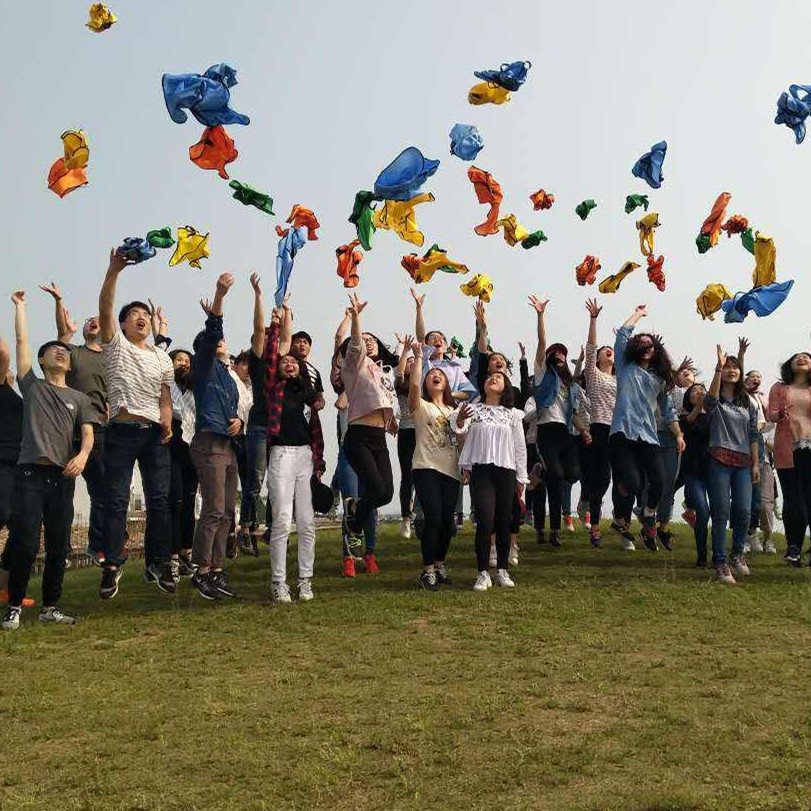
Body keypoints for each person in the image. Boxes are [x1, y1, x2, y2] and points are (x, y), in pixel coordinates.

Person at [2, 291, 94, 631]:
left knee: (59, 547)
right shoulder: (32, 387)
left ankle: (50, 607)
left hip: (62, 479)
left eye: (65, 351)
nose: (61, 352)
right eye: (53, 349)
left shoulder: (79, 398)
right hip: (28, 476)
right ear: (41, 361)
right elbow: (22, 341)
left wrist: (83, 456)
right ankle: (14, 606)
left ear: (70, 364)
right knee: (26, 544)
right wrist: (21, 308)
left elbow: (88, 434)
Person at [97, 249, 176, 600]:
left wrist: (167, 419)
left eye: (145, 314)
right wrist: (114, 271)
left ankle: (158, 563)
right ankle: (112, 564)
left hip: (154, 435)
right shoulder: (116, 346)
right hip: (121, 432)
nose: (141, 317)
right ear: (124, 324)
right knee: (116, 500)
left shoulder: (162, 356)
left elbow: (164, 394)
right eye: (134, 314)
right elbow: (105, 309)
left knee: (159, 500)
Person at [39, 281, 109, 565]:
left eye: (97, 319)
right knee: (62, 490)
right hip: (67, 428)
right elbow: (61, 337)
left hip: (98, 429)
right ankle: (61, 549)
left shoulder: (110, 357)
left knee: (101, 490)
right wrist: (59, 302)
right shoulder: (74, 354)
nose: (93, 321)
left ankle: (97, 545)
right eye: (89, 319)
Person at [264, 299, 325, 603]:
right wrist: (279, 320)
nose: (290, 364)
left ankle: (305, 580)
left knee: (307, 522)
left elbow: (317, 423)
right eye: (285, 361)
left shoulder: (305, 393)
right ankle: (279, 582)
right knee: (282, 520)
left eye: (295, 363)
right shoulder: (273, 387)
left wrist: (318, 461)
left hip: (304, 456)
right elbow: (273, 351)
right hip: (281, 455)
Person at [610, 305, 684, 552]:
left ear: (655, 351)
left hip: (648, 436)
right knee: (634, 484)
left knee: (660, 481)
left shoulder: (659, 379)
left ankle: (648, 514)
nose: (646, 346)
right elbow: (622, 334)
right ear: (635, 348)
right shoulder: (624, 367)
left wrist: (678, 434)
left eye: (650, 344)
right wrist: (638, 315)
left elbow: (668, 411)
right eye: (641, 343)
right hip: (622, 433)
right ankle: (622, 510)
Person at [188, 273, 241, 601]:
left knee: (228, 512)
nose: (221, 342)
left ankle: (217, 569)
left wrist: (238, 423)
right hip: (208, 443)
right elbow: (213, 333)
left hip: (228, 446)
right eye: (215, 342)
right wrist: (219, 297)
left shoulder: (229, 378)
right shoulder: (203, 367)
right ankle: (201, 570)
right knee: (214, 509)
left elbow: (233, 411)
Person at [339, 293, 399, 572]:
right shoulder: (353, 366)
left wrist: (392, 420)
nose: (368, 341)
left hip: (379, 437)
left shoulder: (382, 372)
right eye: (365, 339)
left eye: (372, 339)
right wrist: (356, 319)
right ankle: (354, 525)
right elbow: (354, 346)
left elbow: (386, 398)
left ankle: (354, 513)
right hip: (358, 436)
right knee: (375, 488)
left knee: (386, 493)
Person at [455, 370, 527, 591]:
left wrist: (521, 477)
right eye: (489, 377)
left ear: (506, 387)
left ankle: (502, 571)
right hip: (482, 472)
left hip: (506, 472)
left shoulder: (512, 414)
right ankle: (482, 573)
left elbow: (520, 447)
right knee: (485, 521)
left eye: (499, 377)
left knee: (504, 521)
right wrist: (460, 419)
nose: (493, 379)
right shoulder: (473, 409)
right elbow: (459, 429)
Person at [529, 296, 585, 548]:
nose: (560, 354)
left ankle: (539, 471)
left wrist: (584, 431)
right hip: (546, 430)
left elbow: (574, 412)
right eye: (556, 352)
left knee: (571, 474)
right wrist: (540, 315)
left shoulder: (569, 385)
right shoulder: (543, 375)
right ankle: (551, 531)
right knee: (554, 479)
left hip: (565, 432)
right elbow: (542, 343)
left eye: (563, 352)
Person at [704, 346, 759, 584]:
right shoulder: (715, 399)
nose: (732, 370)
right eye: (728, 367)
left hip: (744, 461)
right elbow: (709, 401)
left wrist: (755, 464)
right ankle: (720, 562)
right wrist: (718, 367)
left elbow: (754, 434)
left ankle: (738, 554)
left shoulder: (747, 402)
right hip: (719, 458)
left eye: (735, 367)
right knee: (721, 512)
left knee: (744, 511)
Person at [408, 341, 460, 590]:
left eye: (440, 374)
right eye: (431, 375)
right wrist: (419, 358)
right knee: (433, 517)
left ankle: (440, 564)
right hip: (426, 466)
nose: (435, 376)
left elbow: (462, 439)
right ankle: (427, 570)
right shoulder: (421, 406)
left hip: (451, 469)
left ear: (447, 383)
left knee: (447, 521)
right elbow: (413, 386)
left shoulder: (454, 410)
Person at [768, 350, 811, 565]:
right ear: (789, 364)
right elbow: (771, 414)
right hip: (788, 448)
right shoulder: (779, 388)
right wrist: (780, 414)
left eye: (806, 357)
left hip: (809, 447)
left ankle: (798, 548)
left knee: (809, 499)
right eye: (797, 357)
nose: (802, 359)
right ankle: (793, 545)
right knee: (794, 499)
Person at [582, 299, 618, 548]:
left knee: (625, 478)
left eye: (611, 349)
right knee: (602, 480)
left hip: (619, 431)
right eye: (604, 350)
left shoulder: (621, 379)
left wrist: (623, 342)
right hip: (599, 429)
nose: (608, 351)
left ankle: (620, 519)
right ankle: (595, 525)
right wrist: (593, 320)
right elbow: (591, 346)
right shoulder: (593, 375)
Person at [242, 273, 271, 551]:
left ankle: (271, 529)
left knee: (277, 482)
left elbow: (284, 336)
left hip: (280, 430)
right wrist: (259, 295)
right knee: (255, 480)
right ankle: (246, 528)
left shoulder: (284, 364)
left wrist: (285, 311)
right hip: (260, 427)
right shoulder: (258, 362)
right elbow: (260, 328)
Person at [0, 332, 28, 607]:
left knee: (22, 528)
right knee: (2, 513)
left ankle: (6, 588)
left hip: (21, 466)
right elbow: (4, 353)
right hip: (3, 465)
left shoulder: (17, 398)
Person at [412, 289, 477, 400]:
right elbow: (420, 337)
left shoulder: (455, 367)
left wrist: (449, 394)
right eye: (433, 338)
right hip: (428, 405)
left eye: (441, 338)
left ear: (446, 346)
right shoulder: (424, 362)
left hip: (449, 408)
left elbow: (467, 393)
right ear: (427, 345)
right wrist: (419, 308)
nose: (438, 339)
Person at [167, 347, 197, 578]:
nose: (184, 363)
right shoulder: (166, 386)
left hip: (192, 450)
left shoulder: (194, 390)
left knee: (189, 503)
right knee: (174, 502)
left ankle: (187, 551)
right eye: (179, 359)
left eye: (187, 360)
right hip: (171, 448)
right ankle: (172, 556)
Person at [679, 384, 711, 567]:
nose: (699, 392)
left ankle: (720, 556)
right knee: (703, 512)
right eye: (695, 391)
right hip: (693, 472)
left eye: (702, 390)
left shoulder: (714, 416)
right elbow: (690, 421)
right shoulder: (684, 418)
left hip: (714, 471)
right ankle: (702, 556)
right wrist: (700, 406)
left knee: (719, 513)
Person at [742, 362, 771, 551]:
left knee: (756, 494)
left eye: (759, 376)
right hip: (741, 440)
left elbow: (768, 423)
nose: (756, 378)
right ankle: (742, 536)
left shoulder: (761, 399)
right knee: (741, 494)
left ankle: (752, 533)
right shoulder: (740, 395)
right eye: (753, 375)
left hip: (758, 442)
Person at [228, 348, 253, 556]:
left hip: (247, 438)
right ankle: (229, 531)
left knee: (248, 485)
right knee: (227, 487)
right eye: (244, 364)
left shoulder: (254, 388)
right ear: (234, 365)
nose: (247, 369)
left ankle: (245, 529)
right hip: (228, 436)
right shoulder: (230, 379)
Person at [394, 337, 416, 539]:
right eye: (409, 362)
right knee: (407, 476)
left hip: (425, 433)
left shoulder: (425, 385)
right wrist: (405, 351)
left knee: (425, 475)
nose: (412, 363)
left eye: (414, 361)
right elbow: (398, 373)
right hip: (407, 432)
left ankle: (419, 513)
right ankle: (406, 518)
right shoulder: (402, 385)